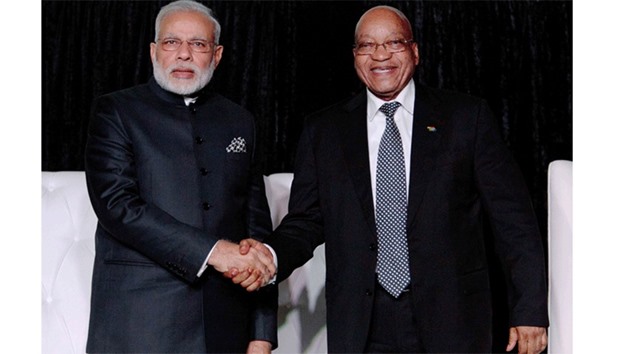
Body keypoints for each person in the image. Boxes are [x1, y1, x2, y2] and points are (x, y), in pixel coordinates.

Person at [232, 5, 548, 354]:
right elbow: (306, 220)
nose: (380, 55)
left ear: (414, 51)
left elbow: (514, 222)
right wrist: (271, 256)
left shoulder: (466, 118)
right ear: (355, 57)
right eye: (367, 45)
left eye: (393, 43)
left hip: (454, 320)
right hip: (362, 324)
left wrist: (530, 310)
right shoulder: (324, 131)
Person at [84, 1, 277, 353]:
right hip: (138, 323)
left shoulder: (240, 120)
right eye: (172, 42)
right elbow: (117, 206)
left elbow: (256, 230)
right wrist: (215, 251)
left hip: (226, 326)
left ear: (216, 55)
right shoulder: (117, 111)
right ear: (154, 51)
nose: (184, 54)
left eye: (198, 44)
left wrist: (262, 333)